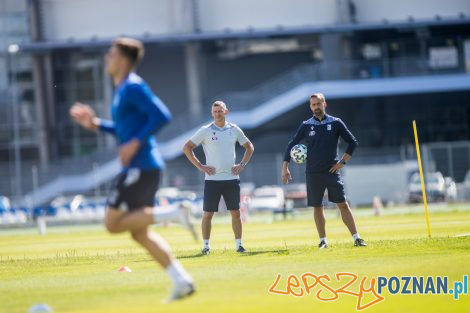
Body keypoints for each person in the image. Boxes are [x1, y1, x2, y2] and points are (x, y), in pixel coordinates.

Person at [69, 37, 195, 301]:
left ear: (124, 60)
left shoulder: (133, 87)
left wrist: (135, 143)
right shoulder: (122, 89)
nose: (107, 58)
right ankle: (181, 281)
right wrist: (96, 125)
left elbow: (162, 115)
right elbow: (124, 130)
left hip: (140, 167)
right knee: (139, 233)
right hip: (144, 168)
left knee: (112, 225)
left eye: (111, 54)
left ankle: (171, 212)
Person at [281, 93, 366, 249]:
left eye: (318, 104)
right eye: (313, 105)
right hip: (313, 173)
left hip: (332, 172)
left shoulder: (336, 123)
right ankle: (323, 240)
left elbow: (352, 142)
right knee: (317, 207)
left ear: (324, 104)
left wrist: (342, 162)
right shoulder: (306, 125)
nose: (316, 107)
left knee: (343, 205)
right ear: (310, 107)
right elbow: (291, 144)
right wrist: (285, 167)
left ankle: (357, 238)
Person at [183, 101, 254, 255]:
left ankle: (239, 245)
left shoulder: (234, 129)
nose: (217, 114)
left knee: (235, 213)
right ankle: (206, 246)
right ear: (212, 113)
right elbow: (187, 147)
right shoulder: (205, 130)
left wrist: (242, 164)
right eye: (214, 112)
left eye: (220, 111)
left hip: (231, 178)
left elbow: (249, 147)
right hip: (212, 180)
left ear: (226, 112)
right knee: (208, 214)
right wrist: (201, 166)